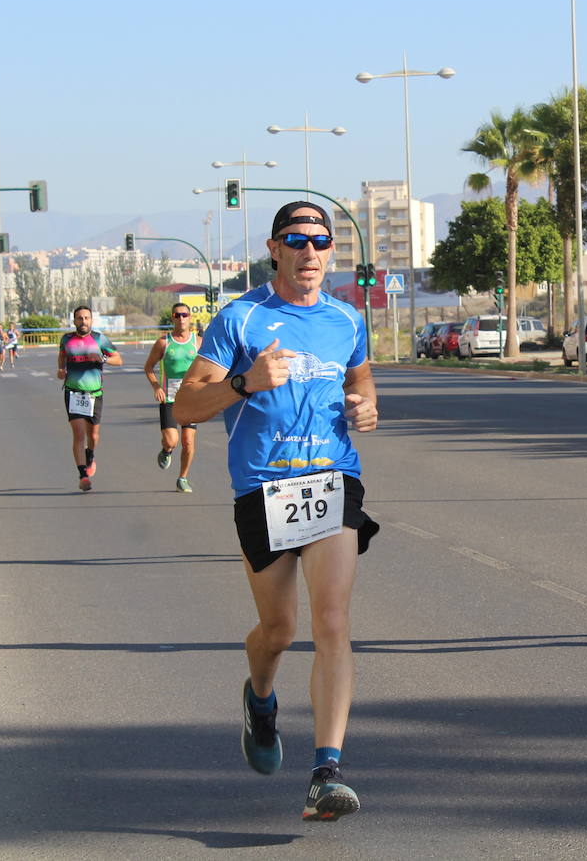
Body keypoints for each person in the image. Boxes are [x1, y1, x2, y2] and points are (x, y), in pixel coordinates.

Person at [173, 201, 379, 822]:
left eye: (321, 241)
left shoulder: (347, 320)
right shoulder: (240, 319)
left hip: (331, 478)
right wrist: (243, 384)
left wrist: (365, 408)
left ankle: (327, 770)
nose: (310, 252)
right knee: (279, 632)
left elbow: (362, 383)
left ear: (331, 252)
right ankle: (260, 699)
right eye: (297, 240)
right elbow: (185, 407)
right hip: (263, 489)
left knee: (334, 620)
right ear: (274, 247)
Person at [57, 306, 122, 492]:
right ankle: (83, 475)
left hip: (94, 393)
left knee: (93, 435)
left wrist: (103, 358)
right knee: (78, 433)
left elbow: (118, 359)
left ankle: (90, 455)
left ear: (91, 320)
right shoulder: (67, 339)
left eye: (86, 318)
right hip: (73, 392)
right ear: (74, 321)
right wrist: (61, 369)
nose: (83, 321)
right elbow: (62, 356)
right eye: (79, 318)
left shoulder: (99, 339)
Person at [143, 302, 201, 492]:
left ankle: (182, 478)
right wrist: (156, 386)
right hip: (169, 397)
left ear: (190, 317)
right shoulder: (164, 342)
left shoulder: (198, 342)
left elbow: (208, 367)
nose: (181, 318)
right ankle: (166, 451)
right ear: (172, 318)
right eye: (177, 315)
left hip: (191, 398)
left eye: (184, 314)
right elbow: (148, 367)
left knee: (188, 441)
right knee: (172, 440)